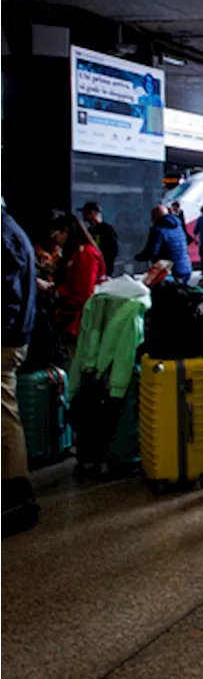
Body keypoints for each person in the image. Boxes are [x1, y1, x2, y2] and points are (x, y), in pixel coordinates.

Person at [1, 207, 38, 529]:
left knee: (4, 413)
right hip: (15, 334)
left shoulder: (4, 234)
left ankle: (15, 488)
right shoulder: (12, 229)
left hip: (4, 338)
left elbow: (8, 298)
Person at [47, 212, 106, 347]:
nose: (57, 242)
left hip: (79, 321)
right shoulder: (76, 253)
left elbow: (84, 293)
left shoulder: (86, 254)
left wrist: (58, 292)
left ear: (66, 232)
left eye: (56, 236)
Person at [135, 204, 193, 283]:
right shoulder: (178, 226)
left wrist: (138, 257)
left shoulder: (158, 230)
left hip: (169, 271)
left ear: (156, 217)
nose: (151, 219)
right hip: (186, 267)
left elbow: (152, 251)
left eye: (152, 216)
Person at [79, 203, 119, 275]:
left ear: (93, 213)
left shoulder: (106, 229)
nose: (83, 215)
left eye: (85, 212)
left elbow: (113, 250)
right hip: (93, 268)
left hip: (103, 269)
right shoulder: (89, 231)